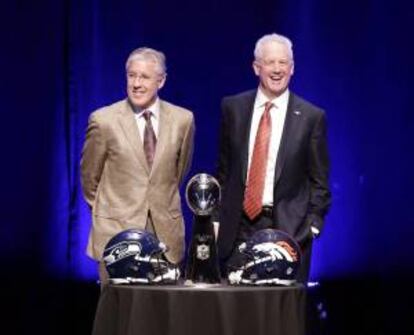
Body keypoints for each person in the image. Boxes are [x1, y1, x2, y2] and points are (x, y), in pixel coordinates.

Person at [216, 33, 331, 283]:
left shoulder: (311, 117)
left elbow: (320, 182)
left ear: (292, 68)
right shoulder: (232, 108)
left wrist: (311, 227)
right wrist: (215, 219)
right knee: (236, 314)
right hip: (238, 228)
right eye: (270, 62)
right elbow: (224, 171)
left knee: (281, 316)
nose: (277, 69)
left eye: (283, 63)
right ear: (257, 67)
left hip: (290, 232)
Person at [81, 47, 195, 284]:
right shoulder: (104, 121)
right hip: (116, 237)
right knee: (118, 316)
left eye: (144, 77)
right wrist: (112, 211)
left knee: (163, 316)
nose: (136, 83)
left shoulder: (183, 120)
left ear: (161, 81)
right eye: (132, 75)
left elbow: (178, 173)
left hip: (165, 236)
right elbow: (89, 179)